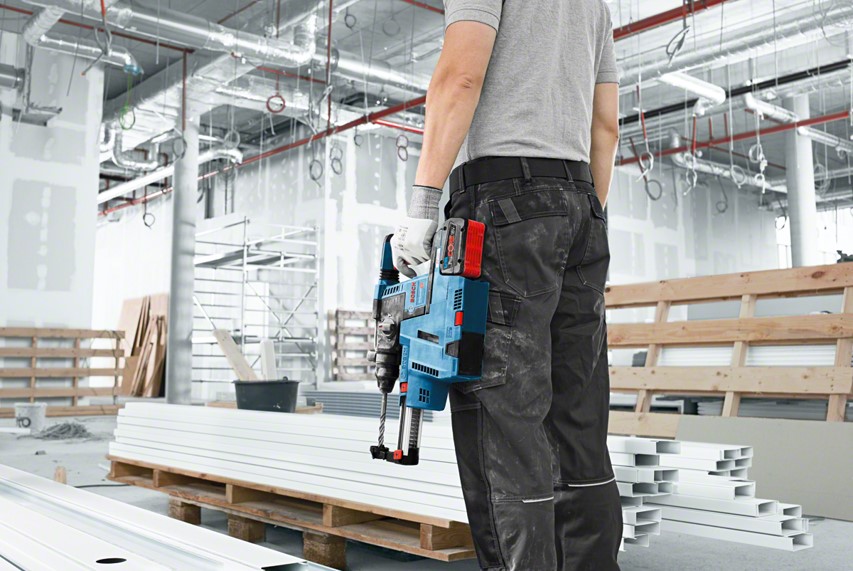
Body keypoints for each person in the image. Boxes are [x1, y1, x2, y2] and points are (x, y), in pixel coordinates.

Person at [390, 1, 621, 570]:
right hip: (582, 203)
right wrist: (583, 217)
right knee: (578, 416)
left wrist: (422, 205)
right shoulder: (594, 5)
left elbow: (460, 77)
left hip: (504, 202)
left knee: (504, 417)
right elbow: (606, 127)